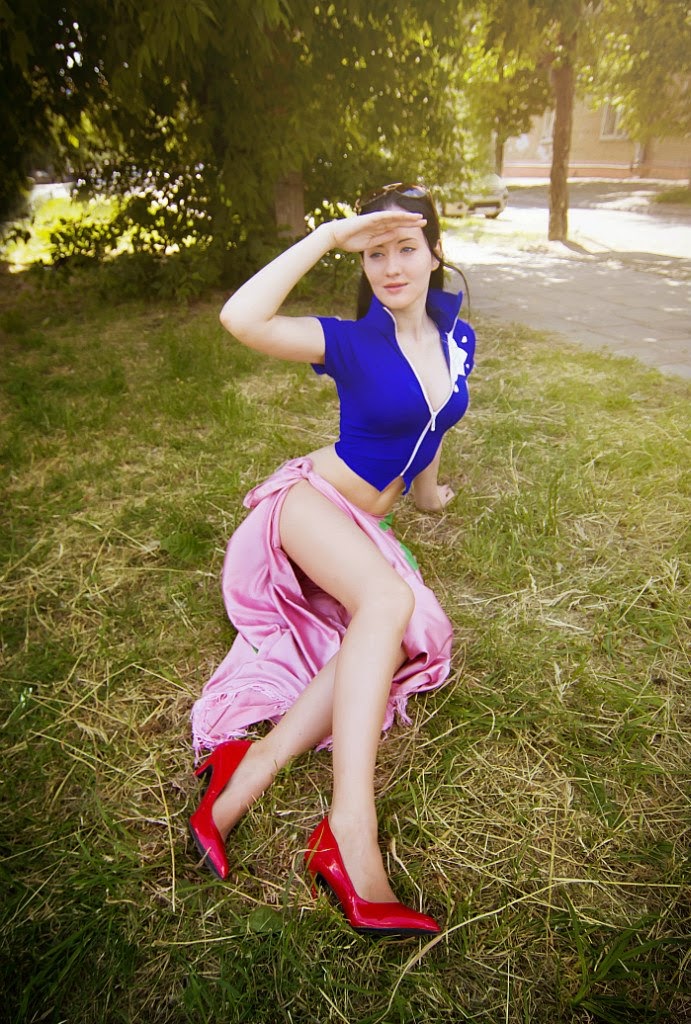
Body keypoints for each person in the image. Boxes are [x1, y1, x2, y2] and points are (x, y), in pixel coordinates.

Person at [188, 182, 476, 938]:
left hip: (365, 521)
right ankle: (350, 830)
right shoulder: (350, 343)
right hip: (311, 502)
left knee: (390, 635)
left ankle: (247, 771)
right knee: (388, 604)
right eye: (375, 253)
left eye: (406, 248)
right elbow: (240, 319)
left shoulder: (457, 336)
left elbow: (434, 421)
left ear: (434, 253)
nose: (391, 267)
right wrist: (326, 236)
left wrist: (428, 496)